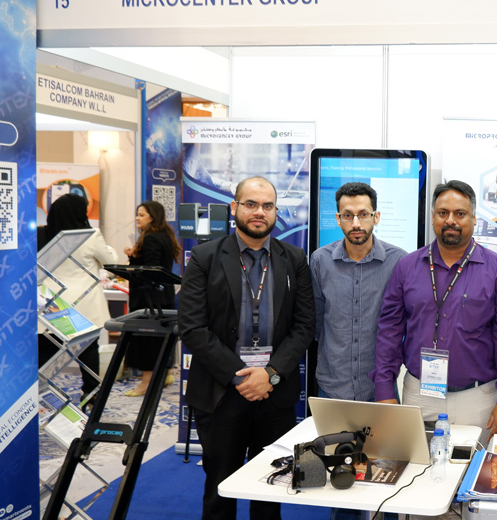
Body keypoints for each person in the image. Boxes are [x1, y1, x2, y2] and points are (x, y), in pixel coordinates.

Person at [178, 176, 315, 520]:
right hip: (221, 393)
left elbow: (304, 327)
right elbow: (192, 327)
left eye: (267, 206)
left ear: (276, 212)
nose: (259, 212)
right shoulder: (205, 257)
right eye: (251, 204)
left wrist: (269, 374)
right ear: (234, 207)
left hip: (274, 395)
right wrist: (241, 377)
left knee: (269, 490)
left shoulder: (294, 258)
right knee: (220, 491)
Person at [373, 180, 497, 440]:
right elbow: (389, 331)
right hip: (419, 394)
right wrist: (385, 390)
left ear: (474, 219)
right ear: (433, 217)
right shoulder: (407, 267)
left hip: (477, 398)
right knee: (416, 462)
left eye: (460, 213)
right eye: (443, 213)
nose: (450, 220)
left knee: (473, 465)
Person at [312, 182, 407, 402]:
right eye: (348, 216)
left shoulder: (399, 261)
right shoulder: (320, 260)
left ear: (376, 217)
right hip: (333, 386)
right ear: (338, 219)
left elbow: (404, 323)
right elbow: (317, 321)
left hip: (380, 389)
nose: (356, 223)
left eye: (363, 215)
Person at [38, 194, 118, 409]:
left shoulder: (41, 234)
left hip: (51, 303)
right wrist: (110, 250)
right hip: (84, 304)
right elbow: (111, 263)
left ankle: (36, 395)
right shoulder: (90, 235)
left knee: (45, 351)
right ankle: (91, 396)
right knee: (88, 351)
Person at [123, 200, 181, 397]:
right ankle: (165, 375)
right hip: (162, 296)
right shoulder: (165, 234)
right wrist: (134, 254)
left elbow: (150, 269)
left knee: (146, 341)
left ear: (152, 217)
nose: (137, 218)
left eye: (141, 215)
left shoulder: (151, 238)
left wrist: (132, 262)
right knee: (160, 339)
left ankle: (146, 382)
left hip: (148, 298)